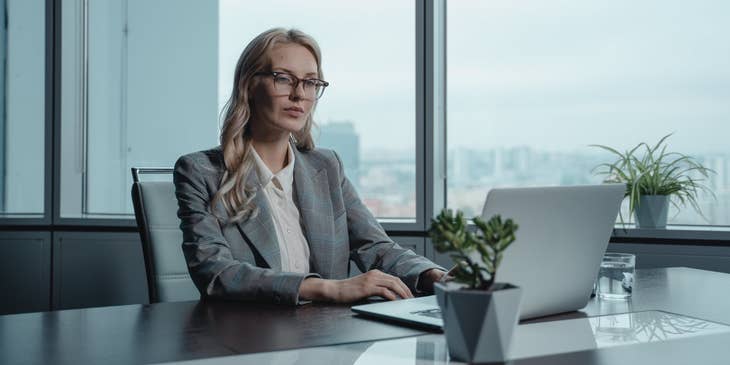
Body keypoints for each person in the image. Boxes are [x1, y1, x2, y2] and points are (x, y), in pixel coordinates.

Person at [174, 28, 445, 305]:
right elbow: (217, 273)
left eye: (311, 82)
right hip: (246, 337)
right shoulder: (200, 172)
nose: (299, 94)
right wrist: (329, 288)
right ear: (249, 85)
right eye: (283, 79)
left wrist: (435, 276)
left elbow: (374, 246)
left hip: (327, 335)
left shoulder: (326, 166)